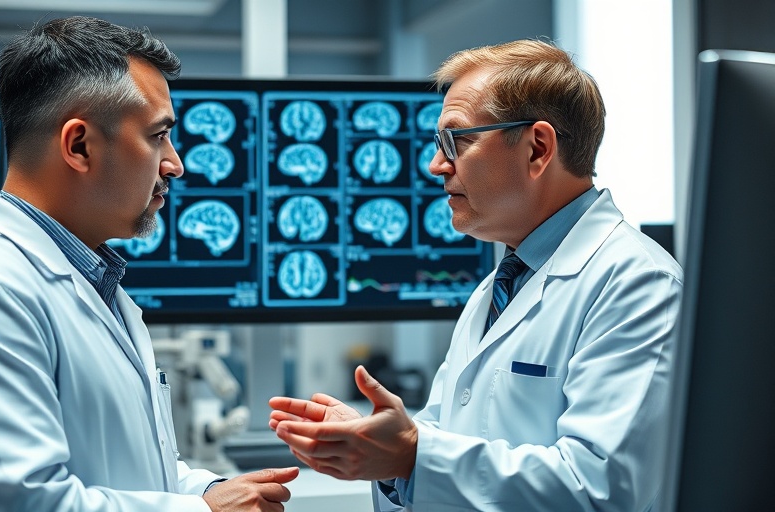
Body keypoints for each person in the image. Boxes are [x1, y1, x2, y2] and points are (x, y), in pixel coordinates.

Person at [0, 16, 297, 511]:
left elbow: (132, 469)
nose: (175, 163)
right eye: (158, 135)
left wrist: (207, 490)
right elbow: (19, 505)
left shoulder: (89, 279)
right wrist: (203, 511)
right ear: (79, 145)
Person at [269, 39, 683, 511]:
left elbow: (601, 490)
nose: (435, 165)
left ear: (537, 148)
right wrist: (378, 448)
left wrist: (411, 456)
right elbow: (447, 435)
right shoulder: (502, 286)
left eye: (457, 140)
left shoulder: (638, 285)